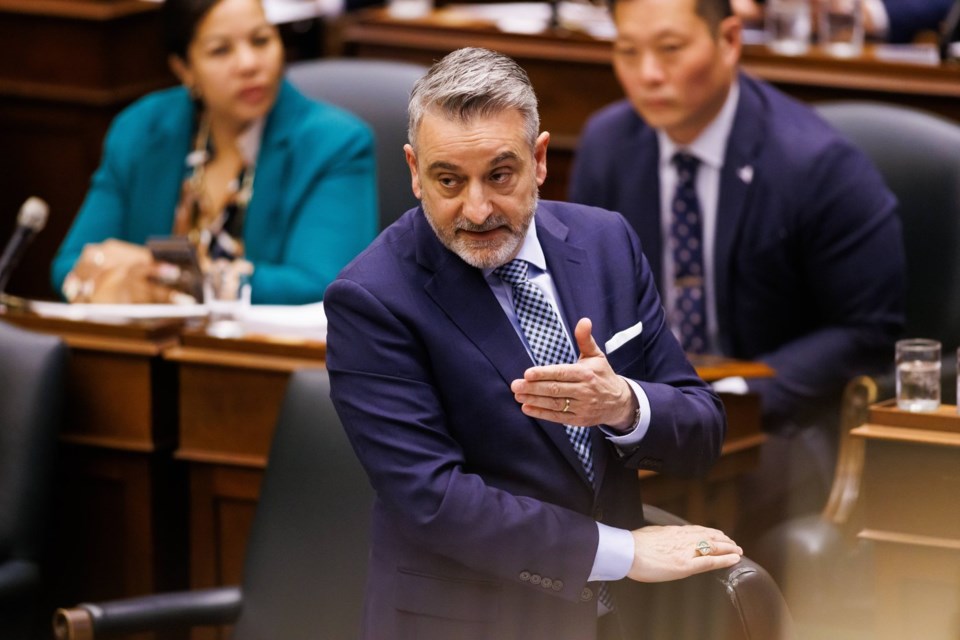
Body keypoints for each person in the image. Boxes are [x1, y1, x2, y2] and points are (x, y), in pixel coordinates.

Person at [324, 47, 743, 640]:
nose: (477, 209)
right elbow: (434, 499)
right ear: (415, 171)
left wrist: (624, 406)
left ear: (539, 160)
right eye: (449, 180)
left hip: (618, 621)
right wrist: (622, 552)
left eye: (500, 175)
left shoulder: (606, 242)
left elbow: (702, 430)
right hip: (468, 622)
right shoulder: (372, 298)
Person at [569, 0, 905, 545]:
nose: (647, 73)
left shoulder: (817, 164)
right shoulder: (608, 145)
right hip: (637, 407)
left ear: (729, 40)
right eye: (628, 51)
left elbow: (867, 331)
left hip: (780, 419)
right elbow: (585, 290)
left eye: (670, 49)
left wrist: (734, 393)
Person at [51, 0, 377, 305]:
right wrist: (100, 280)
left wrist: (177, 280)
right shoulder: (141, 129)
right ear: (184, 69)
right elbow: (70, 264)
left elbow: (323, 284)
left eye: (261, 40)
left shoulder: (335, 143)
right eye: (220, 50)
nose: (249, 64)